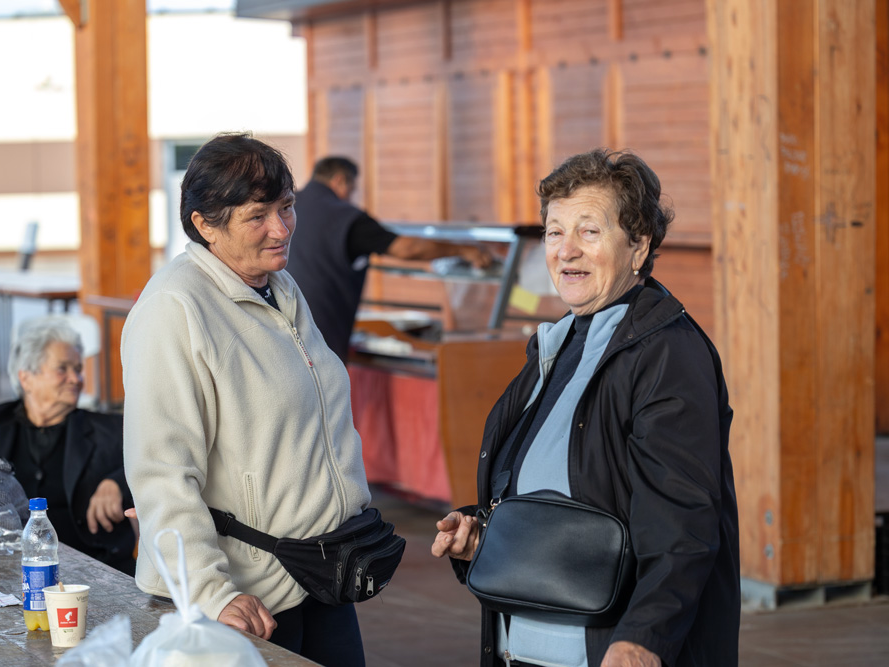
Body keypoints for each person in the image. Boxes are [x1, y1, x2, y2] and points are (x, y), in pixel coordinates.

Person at [431, 149, 740, 667]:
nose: (566, 250)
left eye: (589, 231)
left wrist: (644, 639)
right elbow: (564, 501)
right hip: (523, 649)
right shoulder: (560, 342)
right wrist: (486, 538)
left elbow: (684, 522)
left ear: (639, 245)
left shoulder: (666, 354)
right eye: (554, 232)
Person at [121, 134, 372, 666]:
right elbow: (162, 473)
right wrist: (212, 594)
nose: (281, 228)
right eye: (258, 216)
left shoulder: (279, 287)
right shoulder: (173, 310)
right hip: (247, 600)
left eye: (287, 208)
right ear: (205, 225)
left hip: (320, 572)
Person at [0, 318, 135, 575]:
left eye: (78, 369)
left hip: (94, 567)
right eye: (62, 369)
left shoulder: (110, 430)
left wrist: (118, 482)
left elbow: (154, 461)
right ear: (26, 378)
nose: (76, 379)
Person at [284, 156, 495, 362]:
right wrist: (464, 250)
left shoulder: (288, 208)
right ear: (339, 180)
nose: (350, 197)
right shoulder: (345, 218)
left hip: (285, 328)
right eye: (352, 189)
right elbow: (406, 249)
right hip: (321, 337)